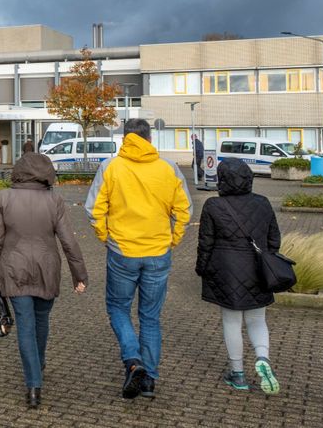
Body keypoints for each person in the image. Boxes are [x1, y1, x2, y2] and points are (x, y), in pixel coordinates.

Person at [84, 118, 192, 400]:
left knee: (118, 308)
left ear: (125, 138)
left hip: (123, 252)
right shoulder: (168, 168)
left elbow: (94, 210)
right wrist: (173, 239)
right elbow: (184, 210)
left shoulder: (111, 167)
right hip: (158, 253)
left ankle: (133, 362)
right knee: (150, 317)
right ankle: (149, 380)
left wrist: (107, 238)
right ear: (149, 139)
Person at [0, 153, 88, 408]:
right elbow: (68, 241)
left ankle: (33, 384)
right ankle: (37, 366)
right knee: (41, 321)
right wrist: (79, 275)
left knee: (26, 326)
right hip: (47, 269)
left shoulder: (4, 197)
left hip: (14, 269)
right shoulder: (54, 199)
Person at [195, 158, 281, 394]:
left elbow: (206, 243)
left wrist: (202, 267)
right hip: (258, 270)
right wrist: (268, 258)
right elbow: (274, 239)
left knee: (231, 321)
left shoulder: (213, 206)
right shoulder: (263, 203)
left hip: (226, 271)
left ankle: (238, 374)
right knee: (257, 319)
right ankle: (263, 357)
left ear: (222, 180)